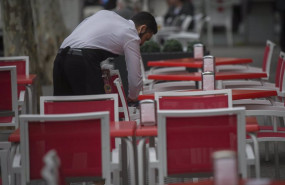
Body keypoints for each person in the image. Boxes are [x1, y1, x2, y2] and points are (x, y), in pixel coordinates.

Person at [53, 10, 157, 103]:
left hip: (61, 56)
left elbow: (91, 39)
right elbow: (135, 74)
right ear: (142, 28)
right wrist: (133, 96)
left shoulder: (107, 14)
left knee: (63, 109)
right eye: (146, 39)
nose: (142, 43)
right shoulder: (131, 34)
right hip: (83, 59)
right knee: (97, 110)